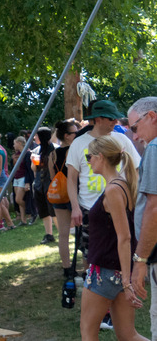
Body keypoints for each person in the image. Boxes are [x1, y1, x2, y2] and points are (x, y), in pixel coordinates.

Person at [79, 136, 146, 341]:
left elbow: (124, 236)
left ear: (100, 157)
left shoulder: (114, 189)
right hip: (116, 269)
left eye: (89, 156)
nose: (88, 161)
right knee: (128, 335)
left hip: (106, 271)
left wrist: (126, 281)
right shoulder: (122, 185)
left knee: (88, 333)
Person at [67, 100, 140, 264]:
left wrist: (134, 197)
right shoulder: (79, 143)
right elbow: (71, 179)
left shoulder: (121, 139)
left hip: (120, 204)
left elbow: (136, 169)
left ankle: (126, 281)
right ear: (98, 119)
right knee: (91, 253)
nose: (116, 122)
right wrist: (75, 207)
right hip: (89, 208)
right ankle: (91, 282)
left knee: (123, 244)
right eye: (111, 119)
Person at [127, 97, 157, 340]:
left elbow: (154, 209)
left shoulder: (155, 148)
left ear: (152, 117)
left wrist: (140, 260)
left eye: (135, 128)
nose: (135, 137)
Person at [50, 119, 80, 278]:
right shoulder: (74, 151)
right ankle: (83, 266)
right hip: (74, 195)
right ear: (67, 136)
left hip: (59, 196)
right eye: (75, 132)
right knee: (81, 232)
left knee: (63, 234)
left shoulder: (52, 154)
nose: (78, 134)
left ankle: (67, 268)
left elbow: (51, 177)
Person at [32, 127, 57, 244]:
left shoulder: (55, 149)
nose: (34, 138)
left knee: (55, 211)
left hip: (51, 185)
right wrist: (34, 162)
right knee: (44, 211)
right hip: (39, 185)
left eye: (37, 135)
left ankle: (62, 233)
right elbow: (34, 170)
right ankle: (49, 234)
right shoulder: (36, 151)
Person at [11, 136, 31, 225]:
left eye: (15, 143)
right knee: (17, 200)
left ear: (19, 143)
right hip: (16, 178)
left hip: (23, 177)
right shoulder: (16, 155)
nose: (13, 145)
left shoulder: (27, 153)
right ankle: (23, 220)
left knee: (19, 199)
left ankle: (30, 210)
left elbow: (28, 169)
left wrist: (27, 182)